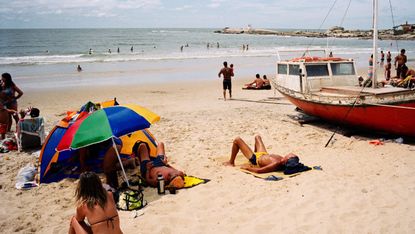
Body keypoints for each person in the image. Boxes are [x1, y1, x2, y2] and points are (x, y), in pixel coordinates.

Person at [223, 135, 299, 173]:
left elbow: (260, 171)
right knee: (257, 137)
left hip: (255, 159)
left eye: (291, 155)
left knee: (237, 140)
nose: (290, 153)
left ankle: (231, 162)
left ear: (287, 160)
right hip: (263, 154)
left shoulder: (277, 163)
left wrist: (246, 168)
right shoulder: (282, 160)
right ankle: (251, 153)